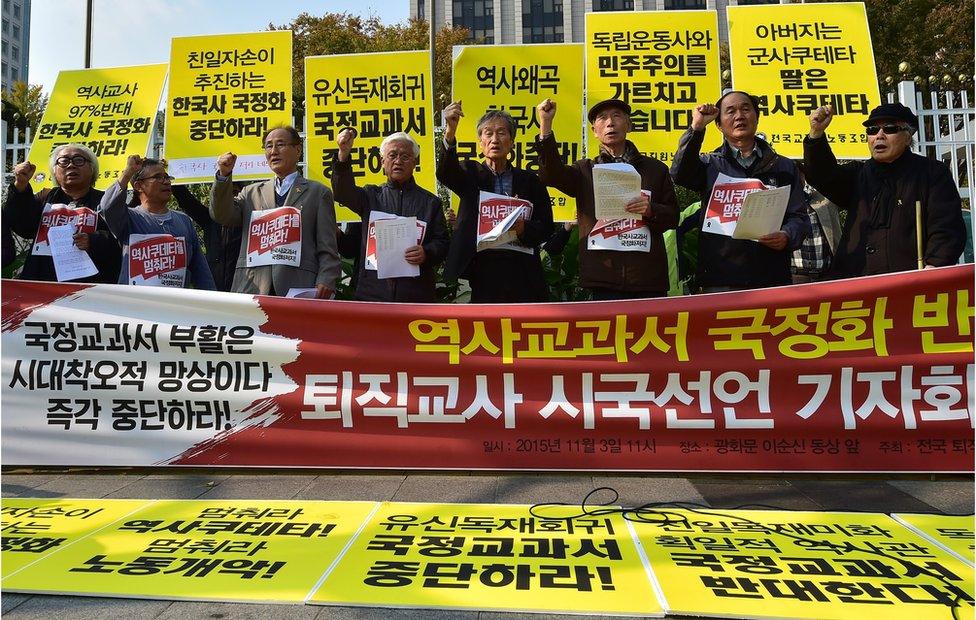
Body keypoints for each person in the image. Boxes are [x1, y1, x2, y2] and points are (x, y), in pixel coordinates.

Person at [536, 97, 678, 300]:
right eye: (602, 118)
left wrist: (650, 210)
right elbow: (550, 175)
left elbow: (673, 217)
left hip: (647, 277)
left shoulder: (655, 170)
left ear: (628, 125)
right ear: (594, 131)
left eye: (616, 116)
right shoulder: (584, 171)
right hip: (602, 277)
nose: (610, 123)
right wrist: (546, 126)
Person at [803, 102, 965, 277]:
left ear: (908, 136)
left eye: (889, 128)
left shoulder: (931, 174)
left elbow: (946, 227)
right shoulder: (859, 174)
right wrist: (816, 134)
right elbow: (823, 176)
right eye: (872, 130)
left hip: (910, 284)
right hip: (856, 284)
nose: (879, 136)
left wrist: (934, 266)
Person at [671, 91, 809, 292]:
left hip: (771, 280)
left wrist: (787, 235)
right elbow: (679, 173)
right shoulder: (710, 164)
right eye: (730, 111)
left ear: (756, 116)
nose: (739, 116)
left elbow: (799, 217)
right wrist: (697, 127)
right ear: (718, 124)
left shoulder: (784, 167)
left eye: (746, 109)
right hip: (719, 282)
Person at [438, 103, 554, 303]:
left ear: (512, 142)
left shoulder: (529, 181)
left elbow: (546, 225)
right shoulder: (469, 173)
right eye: (488, 134)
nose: (494, 140)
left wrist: (524, 228)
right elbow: (445, 172)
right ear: (480, 143)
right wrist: (450, 131)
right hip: (482, 268)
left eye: (501, 133)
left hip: (522, 270)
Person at [211, 126, 340, 298]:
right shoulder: (251, 193)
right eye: (268, 146)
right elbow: (222, 215)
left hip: (299, 286)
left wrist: (326, 277)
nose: (273, 151)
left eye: (280, 144)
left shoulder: (318, 193)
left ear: (297, 150)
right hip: (252, 287)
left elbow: (327, 245)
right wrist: (223, 176)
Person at [333, 129, 449, 302]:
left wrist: (426, 252)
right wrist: (343, 155)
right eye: (392, 155)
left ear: (415, 162)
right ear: (382, 162)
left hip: (416, 295)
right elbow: (342, 192)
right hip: (372, 293)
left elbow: (443, 243)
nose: (398, 161)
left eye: (405, 156)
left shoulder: (430, 203)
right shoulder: (370, 196)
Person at [2, 144, 121, 283]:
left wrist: (94, 241)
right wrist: (20, 186)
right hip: (43, 283)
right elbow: (23, 226)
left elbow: (122, 240)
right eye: (63, 161)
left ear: (92, 168)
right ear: (54, 171)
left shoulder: (106, 201)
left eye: (78, 160)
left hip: (92, 287)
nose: (71, 166)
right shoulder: (45, 198)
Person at [99, 156, 215, 290]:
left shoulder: (183, 221)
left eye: (167, 177)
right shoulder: (129, 218)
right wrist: (128, 172)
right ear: (138, 186)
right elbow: (107, 207)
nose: (166, 182)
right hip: (135, 305)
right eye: (158, 177)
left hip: (173, 305)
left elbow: (201, 271)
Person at [170, 184, 243, 293]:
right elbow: (186, 200)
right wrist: (173, 177)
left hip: (241, 287)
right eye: (226, 193)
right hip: (212, 288)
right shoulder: (209, 219)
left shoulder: (247, 221)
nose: (231, 197)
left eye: (235, 193)